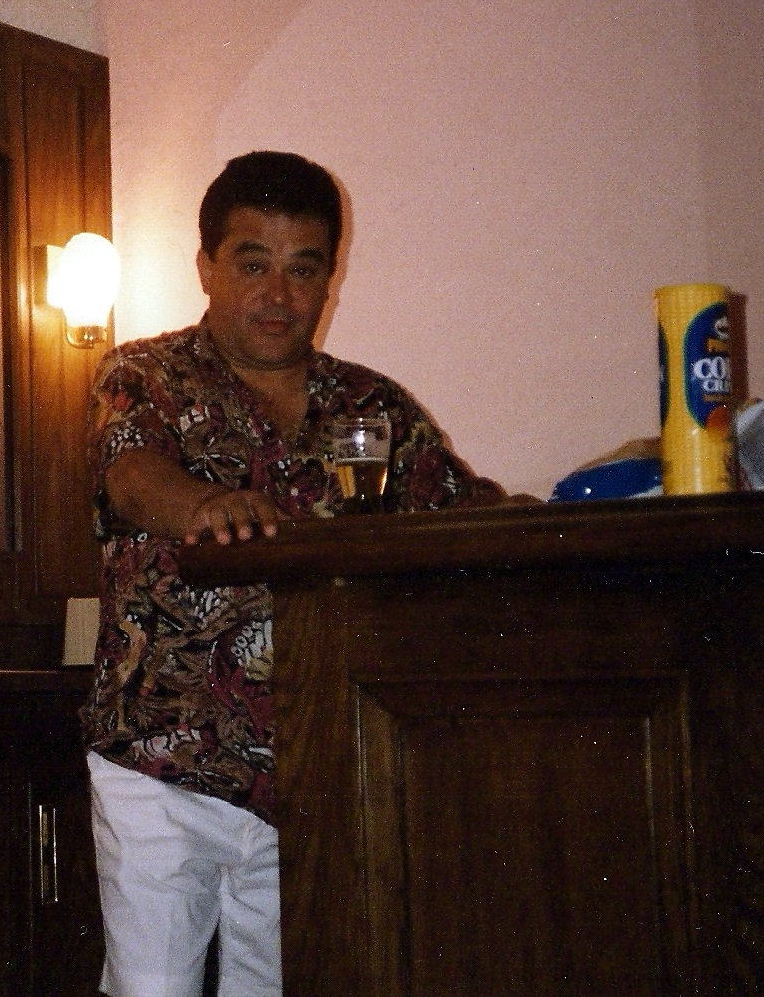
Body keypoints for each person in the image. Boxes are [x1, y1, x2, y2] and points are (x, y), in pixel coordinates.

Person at [82, 151, 510, 997]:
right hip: (163, 768)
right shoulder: (145, 375)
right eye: (253, 264)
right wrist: (200, 505)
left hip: (320, 774)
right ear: (207, 267)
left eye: (302, 269)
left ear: (329, 279)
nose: (277, 295)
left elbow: (472, 517)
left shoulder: (377, 408)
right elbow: (131, 476)